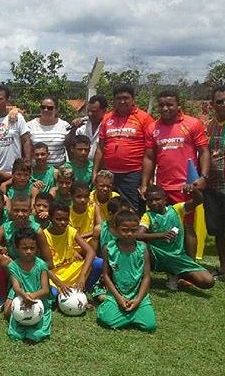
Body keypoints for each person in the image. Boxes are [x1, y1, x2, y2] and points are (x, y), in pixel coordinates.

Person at [141, 89, 210, 258]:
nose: (165, 108)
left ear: (178, 105)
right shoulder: (153, 128)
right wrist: (145, 183)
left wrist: (203, 177)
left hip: (186, 186)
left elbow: (204, 151)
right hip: (163, 188)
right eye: (162, 105)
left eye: (169, 104)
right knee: (163, 226)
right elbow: (149, 157)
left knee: (187, 226)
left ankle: (190, 267)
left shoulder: (193, 123)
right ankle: (167, 262)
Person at [137, 185, 214, 292]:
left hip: (178, 256)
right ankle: (143, 278)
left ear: (165, 200)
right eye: (150, 200)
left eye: (157, 199)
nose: (154, 203)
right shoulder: (147, 216)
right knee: (141, 246)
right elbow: (138, 235)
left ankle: (176, 274)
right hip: (157, 255)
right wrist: (160, 235)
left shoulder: (177, 209)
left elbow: (199, 200)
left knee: (208, 281)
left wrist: (194, 190)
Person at [93, 83, 154, 214]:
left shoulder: (144, 118)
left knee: (132, 209)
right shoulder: (107, 119)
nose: (122, 101)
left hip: (133, 174)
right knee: (111, 208)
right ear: (114, 100)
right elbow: (100, 148)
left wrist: (145, 181)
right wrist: (95, 172)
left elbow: (150, 153)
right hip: (110, 173)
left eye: (126, 98)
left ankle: (135, 234)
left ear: (133, 99)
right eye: (118, 98)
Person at [97, 210, 156, 332]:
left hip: (137, 294)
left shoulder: (143, 248)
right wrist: (119, 298)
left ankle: (130, 312)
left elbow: (146, 277)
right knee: (108, 320)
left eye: (134, 230)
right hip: (117, 294)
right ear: (115, 229)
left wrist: (138, 299)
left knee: (150, 325)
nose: (129, 234)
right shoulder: (109, 248)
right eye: (124, 230)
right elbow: (106, 276)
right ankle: (113, 306)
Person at [3, 227, 52, 343]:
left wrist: (32, 297)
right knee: (15, 334)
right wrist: (25, 296)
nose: (29, 251)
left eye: (32, 248)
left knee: (36, 335)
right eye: (24, 248)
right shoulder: (13, 266)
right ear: (16, 248)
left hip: (39, 297)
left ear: (37, 249)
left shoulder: (41, 265)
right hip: (20, 295)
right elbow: (16, 286)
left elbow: (45, 290)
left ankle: (34, 329)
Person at [43, 201, 102, 295]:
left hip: (71, 269)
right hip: (55, 275)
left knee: (98, 263)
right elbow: (44, 266)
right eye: (58, 219)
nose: (62, 223)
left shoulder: (70, 230)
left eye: (65, 219)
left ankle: (83, 289)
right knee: (53, 293)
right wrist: (60, 284)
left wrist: (82, 275)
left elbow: (90, 252)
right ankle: (65, 292)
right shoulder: (44, 235)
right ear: (50, 218)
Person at [204, 85, 225, 279]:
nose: (224, 105)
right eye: (220, 102)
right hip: (213, 186)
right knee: (219, 230)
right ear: (212, 105)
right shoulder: (208, 126)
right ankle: (223, 269)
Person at [27, 96, 70, 167]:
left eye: (50, 108)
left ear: (57, 110)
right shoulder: (29, 126)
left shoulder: (65, 125)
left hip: (58, 172)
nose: (46, 110)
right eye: (43, 107)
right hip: (36, 172)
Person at [66, 95, 108, 160]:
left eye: (94, 111)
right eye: (88, 111)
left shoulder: (110, 128)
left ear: (104, 111)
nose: (90, 114)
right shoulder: (81, 127)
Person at [69, 181, 100, 251]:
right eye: (79, 196)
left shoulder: (93, 207)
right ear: (71, 196)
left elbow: (100, 228)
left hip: (90, 245)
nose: (83, 200)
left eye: (86, 196)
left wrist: (80, 237)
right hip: (71, 247)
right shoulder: (67, 212)